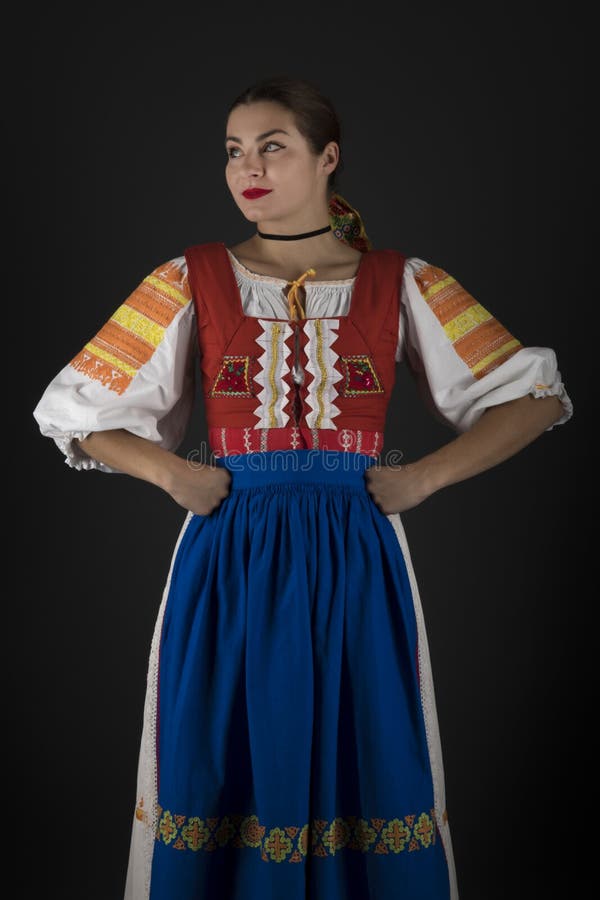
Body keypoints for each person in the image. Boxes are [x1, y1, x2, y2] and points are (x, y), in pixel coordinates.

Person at [33, 74, 572, 900]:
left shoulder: (400, 281)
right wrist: (171, 471)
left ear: (328, 159)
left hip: (358, 555)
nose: (247, 167)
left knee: (370, 748)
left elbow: (532, 397)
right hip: (229, 555)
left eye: (272, 147)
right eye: (233, 152)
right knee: (220, 750)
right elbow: (73, 409)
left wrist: (423, 478)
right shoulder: (191, 277)